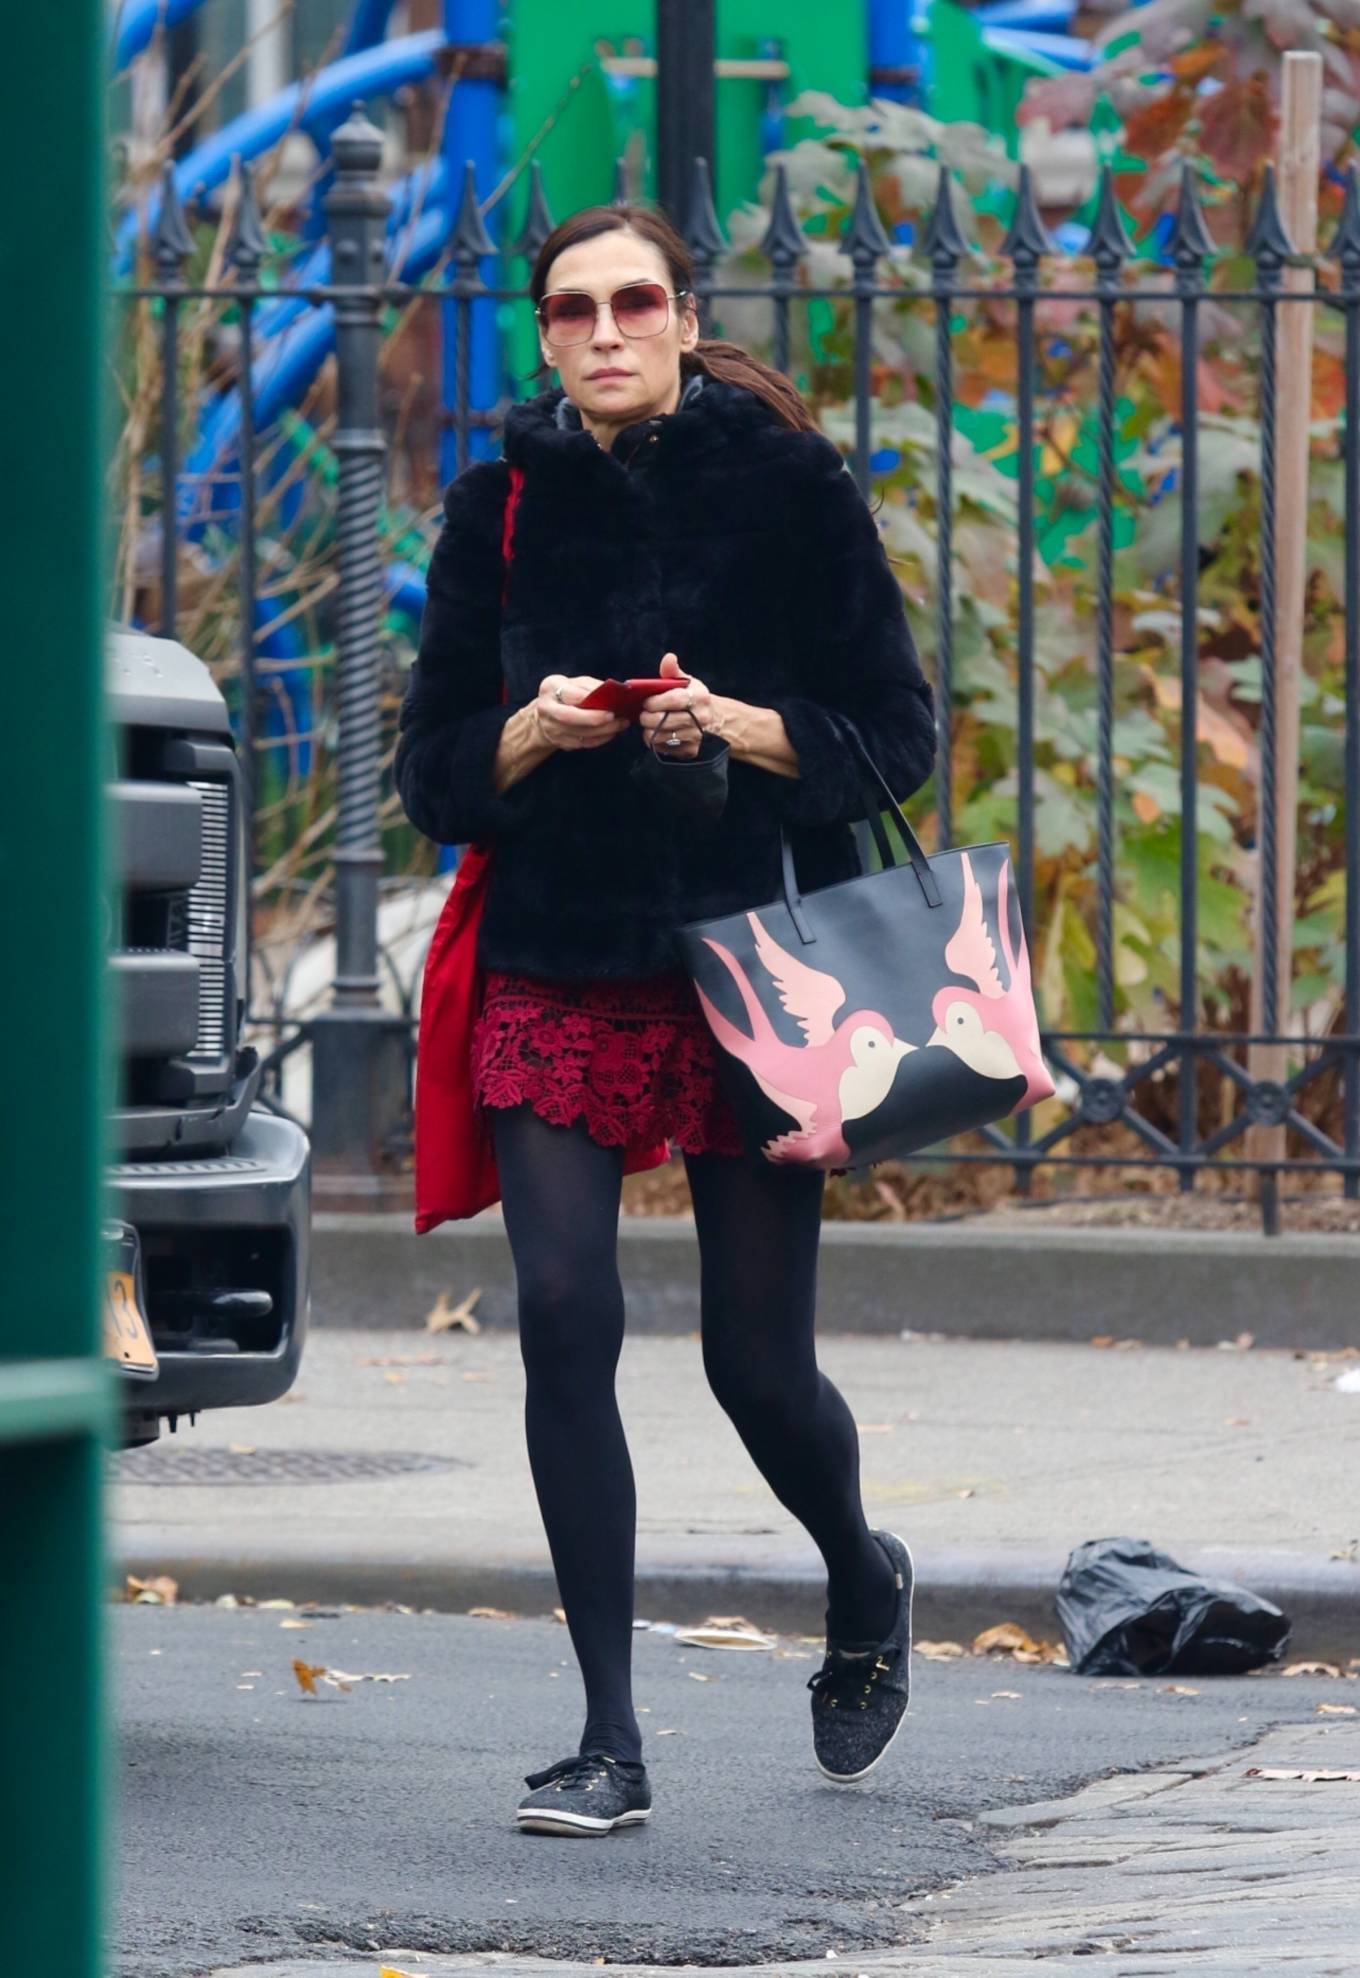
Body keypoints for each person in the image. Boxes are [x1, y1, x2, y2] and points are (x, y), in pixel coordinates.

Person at [395, 198, 937, 1837]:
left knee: (756, 1366)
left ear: (688, 321)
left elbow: (895, 735)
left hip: (751, 964)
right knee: (564, 1309)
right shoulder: (496, 506)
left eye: (638, 302)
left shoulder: (789, 486)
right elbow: (430, 776)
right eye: (575, 309)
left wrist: (746, 731)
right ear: (546, 334)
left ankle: (864, 1573)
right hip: (562, 958)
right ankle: (609, 1737)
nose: (607, 331)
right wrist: (532, 737)